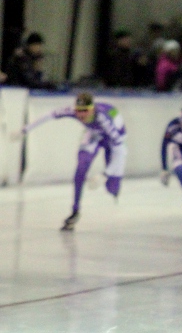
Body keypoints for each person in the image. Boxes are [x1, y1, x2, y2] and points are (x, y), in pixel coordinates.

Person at [12, 92, 126, 230]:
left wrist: (106, 174)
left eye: (85, 111)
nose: (81, 115)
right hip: (93, 134)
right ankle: (75, 211)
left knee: (111, 187)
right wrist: (24, 130)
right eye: (78, 111)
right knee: (80, 169)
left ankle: (114, 189)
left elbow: (120, 152)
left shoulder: (105, 120)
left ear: (93, 109)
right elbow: (49, 115)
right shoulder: (72, 111)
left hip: (113, 139)